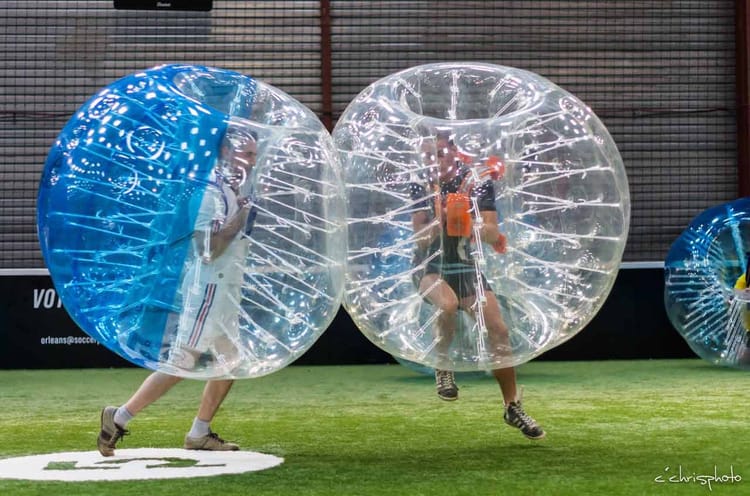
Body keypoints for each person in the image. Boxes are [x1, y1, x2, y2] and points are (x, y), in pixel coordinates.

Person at [97, 125, 258, 456]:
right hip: (209, 291)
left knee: (231, 361)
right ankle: (120, 416)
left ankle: (199, 432)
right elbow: (209, 247)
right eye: (247, 154)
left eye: (254, 155)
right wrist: (243, 212)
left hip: (224, 289)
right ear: (226, 153)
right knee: (184, 360)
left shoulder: (230, 188)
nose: (252, 161)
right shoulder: (210, 191)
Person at [410, 131, 545, 440]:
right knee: (447, 304)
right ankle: (442, 367)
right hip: (428, 269)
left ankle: (512, 407)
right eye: (429, 156)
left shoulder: (477, 183)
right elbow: (418, 239)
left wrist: (473, 223)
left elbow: (492, 232)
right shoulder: (421, 187)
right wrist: (440, 219)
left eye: (441, 153)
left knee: (499, 330)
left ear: (454, 152)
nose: (436, 161)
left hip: (465, 268)